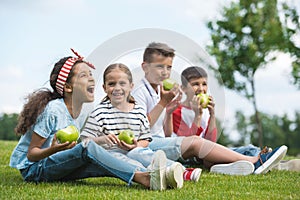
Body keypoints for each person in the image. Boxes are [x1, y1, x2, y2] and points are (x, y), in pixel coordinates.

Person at [9, 49, 173, 191]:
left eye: (91, 75)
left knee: (100, 158)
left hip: (57, 164)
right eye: (84, 75)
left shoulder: (82, 111)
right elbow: (32, 155)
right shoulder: (54, 110)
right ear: (68, 87)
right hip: (35, 170)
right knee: (88, 147)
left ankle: (154, 174)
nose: (92, 79)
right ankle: (143, 177)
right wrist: (53, 149)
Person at [131, 42, 288, 175]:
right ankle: (255, 160)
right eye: (160, 67)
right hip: (146, 145)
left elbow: (165, 132)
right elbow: (140, 126)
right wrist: (164, 104)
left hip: (159, 141)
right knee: (197, 143)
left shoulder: (159, 91)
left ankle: (238, 164)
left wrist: (168, 109)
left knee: (204, 147)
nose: (165, 72)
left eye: (169, 67)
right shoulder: (140, 92)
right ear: (145, 67)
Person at [173, 66, 300, 173]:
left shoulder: (204, 110)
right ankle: (275, 163)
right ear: (184, 88)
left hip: (206, 155)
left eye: (204, 84)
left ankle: (276, 164)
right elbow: (185, 145)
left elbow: (211, 141)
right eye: (195, 84)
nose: (201, 89)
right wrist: (197, 115)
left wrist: (212, 115)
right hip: (194, 157)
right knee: (247, 150)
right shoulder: (178, 111)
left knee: (241, 150)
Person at [80, 63, 185, 188]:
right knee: (119, 157)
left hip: (134, 150)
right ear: (104, 88)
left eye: (122, 83)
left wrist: (136, 145)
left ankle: (179, 171)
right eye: (112, 84)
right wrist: (101, 139)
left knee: (141, 153)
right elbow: (85, 141)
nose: (117, 88)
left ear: (131, 86)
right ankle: (152, 175)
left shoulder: (139, 112)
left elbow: (145, 139)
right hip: (111, 155)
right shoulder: (99, 113)